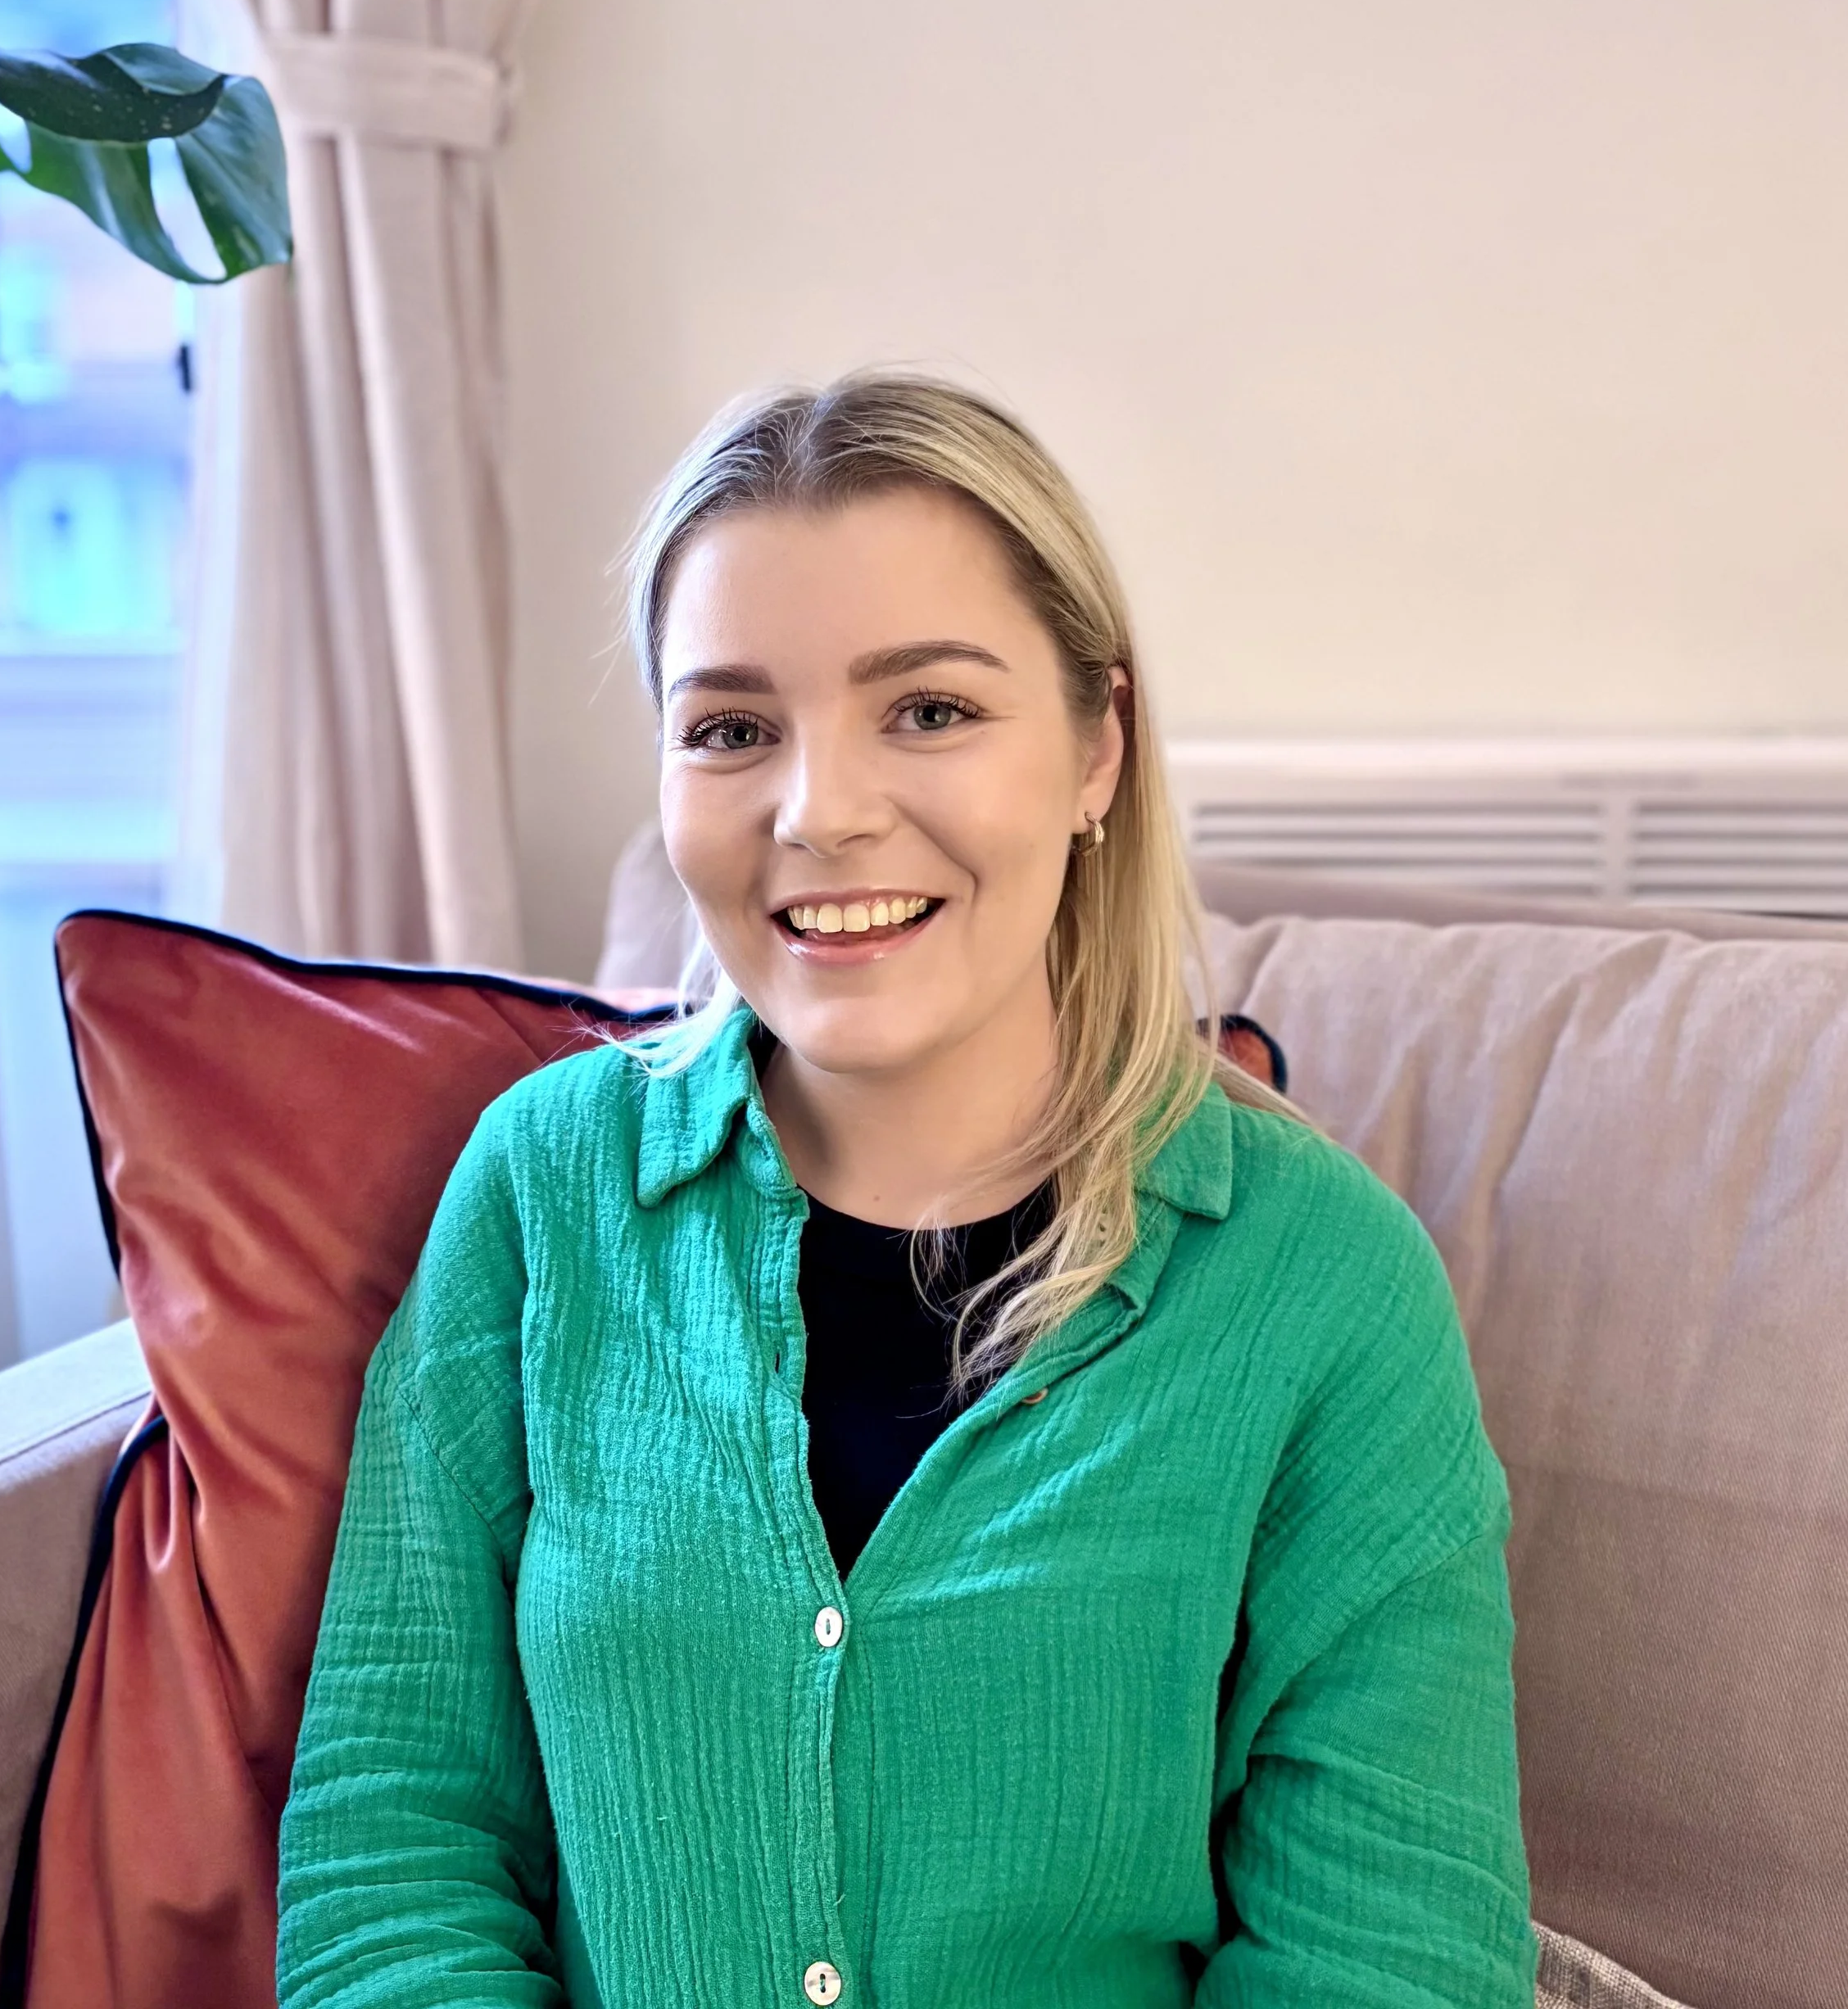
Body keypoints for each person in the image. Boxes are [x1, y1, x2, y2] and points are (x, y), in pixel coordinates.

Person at [275, 373, 1536, 2007]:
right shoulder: (540, 1189)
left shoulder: (1324, 1282)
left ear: (1096, 745)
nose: (820, 811)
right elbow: (396, 1850)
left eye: (927, 709)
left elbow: (1388, 1959)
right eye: (730, 728)